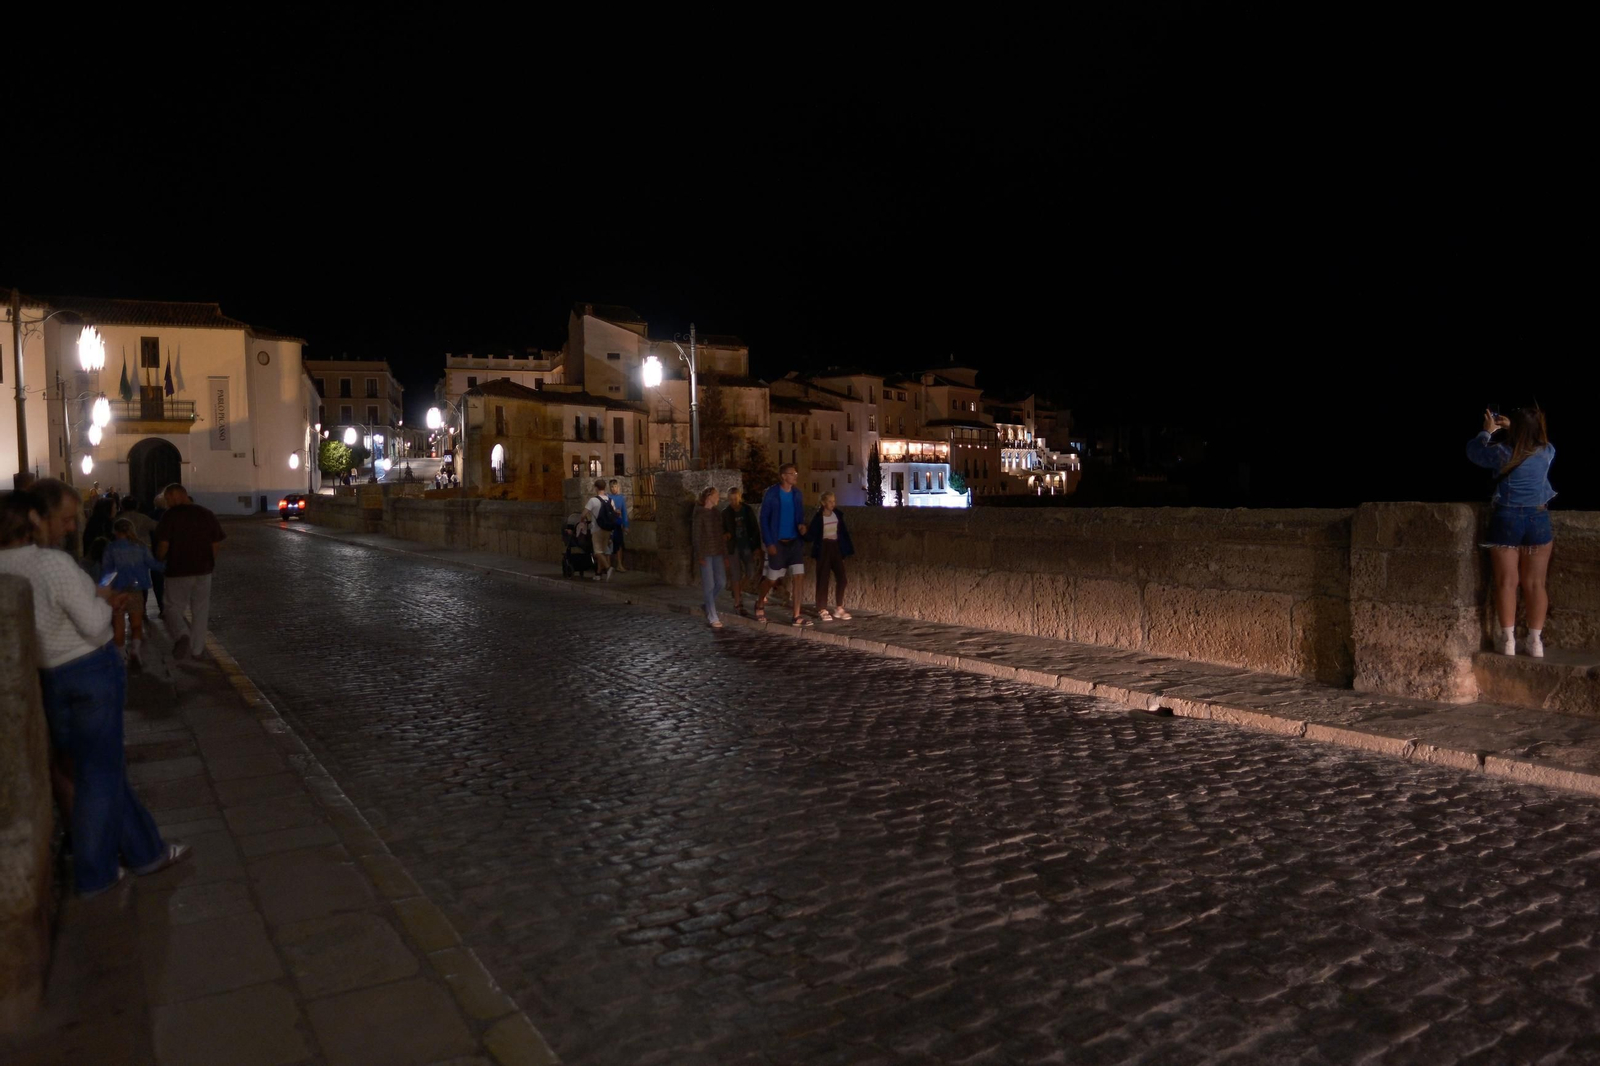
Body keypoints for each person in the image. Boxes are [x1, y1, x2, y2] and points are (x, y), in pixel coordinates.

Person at [0, 490, 189, 896]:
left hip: (50, 677)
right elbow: (91, 624)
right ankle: (96, 875)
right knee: (99, 775)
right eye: (66, 519)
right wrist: (109, 605)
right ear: (33, 519)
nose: (72, 527)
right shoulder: (51, 563)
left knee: (96, 771)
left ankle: (146, 852)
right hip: (88, 671)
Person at [1468, 406, 1557, 657]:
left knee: (1507, 582)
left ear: (1516, 429)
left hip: (1506, 518)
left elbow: (1474, 452)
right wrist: (1516, 427)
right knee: (1536, 583)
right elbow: (1537, 440)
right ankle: (1535, 642)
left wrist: (1487, 432)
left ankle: (1509, 642)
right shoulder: (1547, 451)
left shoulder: (1503, 453)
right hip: (1538, 518)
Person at [153, 483, 226, 661]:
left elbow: (163, 545)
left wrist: (159, 558)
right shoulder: (206, 514)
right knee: (200, 610)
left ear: (177, 495)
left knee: (171, 607)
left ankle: (181, 634)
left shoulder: (169, 516)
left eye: (168, 498)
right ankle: (197, 650)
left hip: (178, 570)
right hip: (203, 570)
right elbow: (215, 544)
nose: (167, 502)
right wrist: (209, 562)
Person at [102, 518, 165, 669]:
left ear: (116, 532)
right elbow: (153, 565)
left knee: (118, 625)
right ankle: (136, 650)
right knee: (136, 625)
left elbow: (106, 570)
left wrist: (103, 589)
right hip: (136, 590)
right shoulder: (141, 547)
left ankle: (122, 655)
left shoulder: (111, 548)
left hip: (117, 591)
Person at [754, 463, 810, 626]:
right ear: (783, 476)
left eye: (795, 473)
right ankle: (759, 603)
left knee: (799, 577)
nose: (795, 476)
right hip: (778, 543)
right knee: (772, 578)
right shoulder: (772, 494)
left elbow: (800, 515)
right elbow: (764, 519)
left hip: (794, 542)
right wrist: (769, 542)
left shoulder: (797, 494)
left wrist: (802, 526)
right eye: (792, 473)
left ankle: (796, 616)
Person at [806, 492, 855, 621]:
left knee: (842, 578)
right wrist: (803, 532)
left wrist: (846, 549)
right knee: (823, 578)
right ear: (823, 503)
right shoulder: (818, 518)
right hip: (823, 547)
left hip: (835, 547)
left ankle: (839, 607)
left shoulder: (837, 515)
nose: (833, 504)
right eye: (830, 501)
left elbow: (843, 533)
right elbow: (811, 535)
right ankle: (822, 608)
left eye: (834, 501)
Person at [721, 486, 761, 617]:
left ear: (740, 497)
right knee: (735, 574)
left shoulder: (747, 510)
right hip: (733, 546)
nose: (733, 501)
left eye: (735, 498)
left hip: (746, 545)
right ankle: (738, 603)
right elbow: (722, 529)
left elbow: (754, 529)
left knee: (750, 571)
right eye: (731, 499)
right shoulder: (726, 513)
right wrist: (726, 535)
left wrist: (756, 547)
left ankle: (738, 590)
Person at [692, 485, 727, 628]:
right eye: (716, 495)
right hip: (705, 553)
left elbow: (720, 534)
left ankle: (707, 604)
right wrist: (699, 554)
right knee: (709, 585)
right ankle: (713, 616)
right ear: (709, 497)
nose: (718, 497)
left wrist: (724, 553)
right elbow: (696, 535)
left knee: (721, 582)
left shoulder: (716, 514)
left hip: (717, 552)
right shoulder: (699, 514)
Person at [33, 477, 83, 555]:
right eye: (66, 520)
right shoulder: (56, 563)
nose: (72, 527)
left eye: (74, 519)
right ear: (38, 519)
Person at [581, 478, 615, 581]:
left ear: (596, 488)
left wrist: (582, 520)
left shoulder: (593, 500)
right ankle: (598, 574)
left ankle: (608, 568)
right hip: (608, 528)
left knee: (597, 552)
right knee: (603, 551)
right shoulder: (610, 500)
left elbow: (584, 514)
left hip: (597, 529)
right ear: (604, 488)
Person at [607, 479, 630, 572]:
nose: (614, 488)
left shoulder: (621, 498)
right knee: (609, 544)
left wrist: (626, 525)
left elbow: (624, 512)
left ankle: (619, 564)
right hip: (609, 524)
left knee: (619, 544)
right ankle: (608, 565)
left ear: (618, 487)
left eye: (615, 486)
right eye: (612, 487)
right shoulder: (607, 497)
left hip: (618, 523)